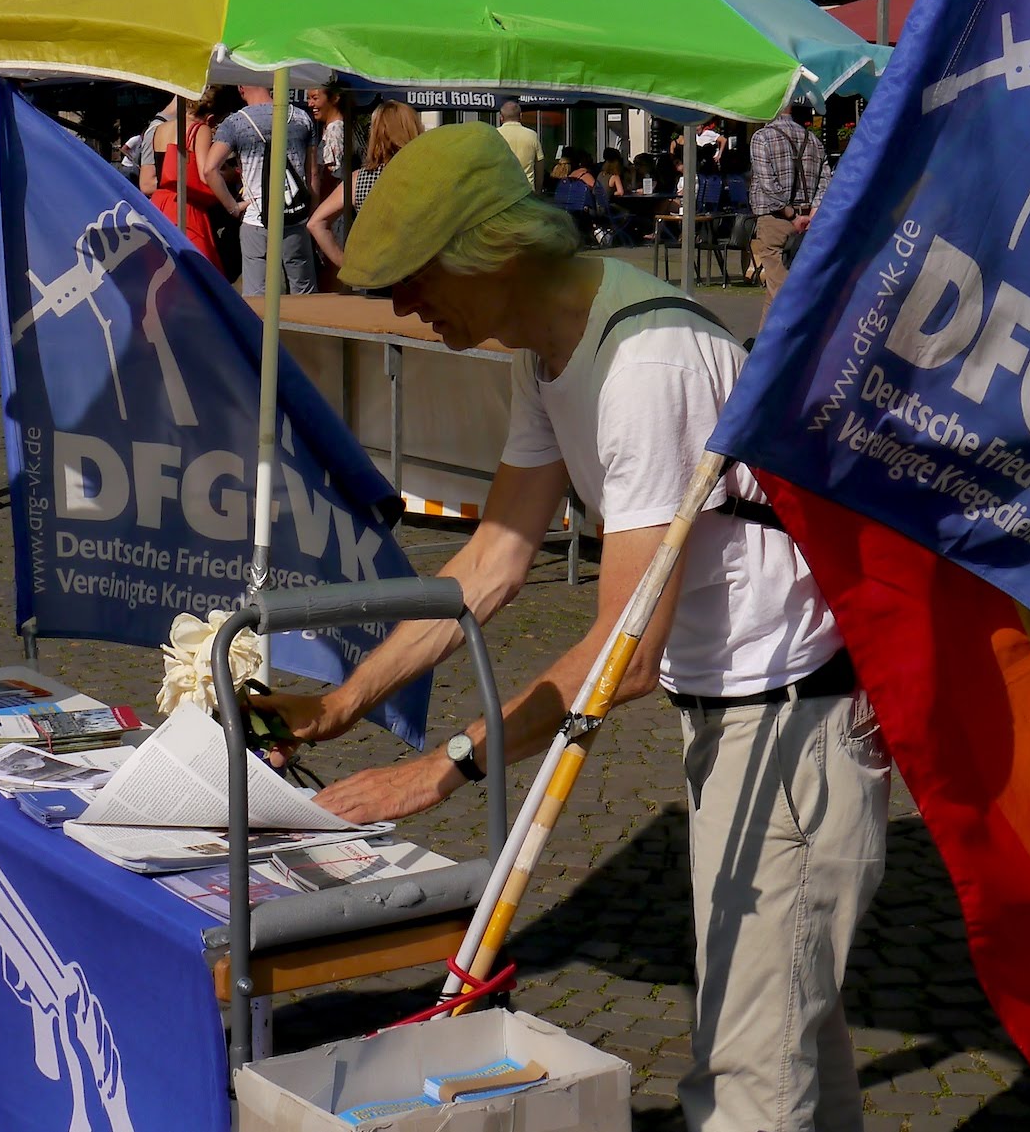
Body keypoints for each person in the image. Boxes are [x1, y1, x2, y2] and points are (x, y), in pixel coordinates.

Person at [261, 123, 887, 1132]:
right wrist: (342, 700)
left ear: (488, 251)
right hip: (738, 708)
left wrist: (441, 769)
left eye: (414, 278)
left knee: (745, 1081)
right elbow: (490, 562)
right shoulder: (546, 350)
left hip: (787, 721)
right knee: (787, 1034)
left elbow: (623, 653)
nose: (399, 307)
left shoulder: (642, 363)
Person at [206, 81, 318, 297]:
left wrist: (234, 207)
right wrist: (311, 215)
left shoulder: (235, 122)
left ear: (241, 88)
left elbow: (210, 169)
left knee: (257, 293)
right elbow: (313, 174)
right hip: (296, 216)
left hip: (255, 217)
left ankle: (260, 331)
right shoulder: (301, 117)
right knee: (304, 291)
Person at [307, 100, 421, 271]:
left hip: (375, 274)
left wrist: (347, 266)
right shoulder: (427, 175)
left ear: (375, 133)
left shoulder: (358, 179)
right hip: (420, 274)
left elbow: (315, 224)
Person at [747, 97, 831, 300]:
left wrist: (792, 216)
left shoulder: (762, 137)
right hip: (807, 221)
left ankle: (795, 332)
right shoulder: (813, 140)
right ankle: (765, 334)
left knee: (782, 295)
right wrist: (812, 213)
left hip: (775, 220)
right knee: (776, 290)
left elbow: (769, 186)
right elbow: (825, 181)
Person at [144, 91, 226, 271]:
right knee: (199, 272)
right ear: (210, 117)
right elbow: (206, 174)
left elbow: (149, 178)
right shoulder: (200, 129)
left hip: (159, 204)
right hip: (186, 207)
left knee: (164, 268)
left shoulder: (159, 129)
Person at [304, 77, 349, 206]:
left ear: (334, 99)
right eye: (309, 98)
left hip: (332, 205)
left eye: (315, 98)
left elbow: (332, 175)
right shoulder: (338, 127)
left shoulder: (335, 130)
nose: (310, 104)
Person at [497, 100, 543, 190]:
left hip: (503, 192)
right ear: (521, 116)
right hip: (526, 191)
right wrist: (538, 190)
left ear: (501, 117)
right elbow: (540, 166)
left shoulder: (495, 134)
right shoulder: (532, 135)